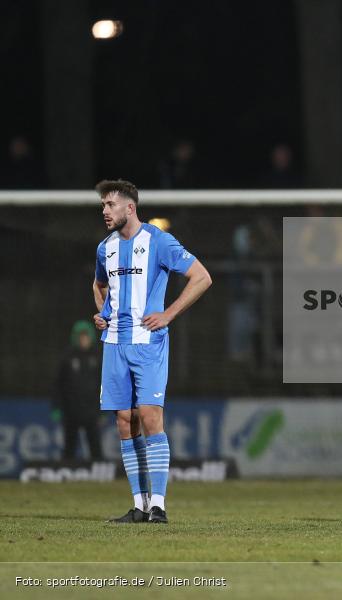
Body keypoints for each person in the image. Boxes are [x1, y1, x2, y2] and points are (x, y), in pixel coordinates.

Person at [92, 179, 212, 524]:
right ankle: (139, 506)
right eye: (103, 205)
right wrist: (104, 313)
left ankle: (158, 505)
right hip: (114, 344)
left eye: (110, 205)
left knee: (149, 417)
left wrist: (168, 314)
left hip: (148, 342)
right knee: (124, 421)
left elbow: (202, 277)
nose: (105, 211)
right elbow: (99, 284)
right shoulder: (105, 248)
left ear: (130, 207)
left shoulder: (158, 241)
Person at [53, 320, 102, 460]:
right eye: (81, 336)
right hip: (71, 410)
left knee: (95, 446)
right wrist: (56, 407)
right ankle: (66, 470)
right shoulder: (67, 357)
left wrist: (103, 410)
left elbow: (103, 384)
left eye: (86, 336)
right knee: (69, 445)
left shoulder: (97, 357)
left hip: (91, 410)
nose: (84, 339)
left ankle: (99, 470)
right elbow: (58, 384)